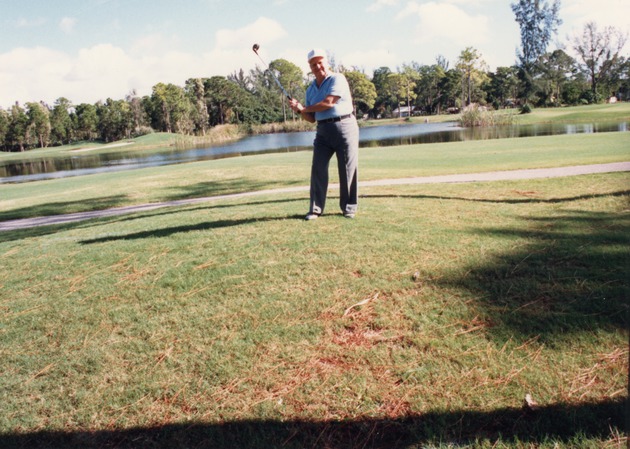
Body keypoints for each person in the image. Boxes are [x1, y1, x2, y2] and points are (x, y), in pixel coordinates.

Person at [289, 48, 359, 220]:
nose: (318, 66)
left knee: (347, 169)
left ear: (326, 63)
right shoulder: (310, 90)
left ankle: (348, 207)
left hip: (344, 125)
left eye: (320, 62)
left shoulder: (337, 79)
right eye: (314, 64)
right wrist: (299, 110)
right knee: (318, 168)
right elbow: (311, 118)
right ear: (310, 67)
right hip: (322, 131)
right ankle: (315, 209)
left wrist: (305, 108)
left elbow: (328, 103)